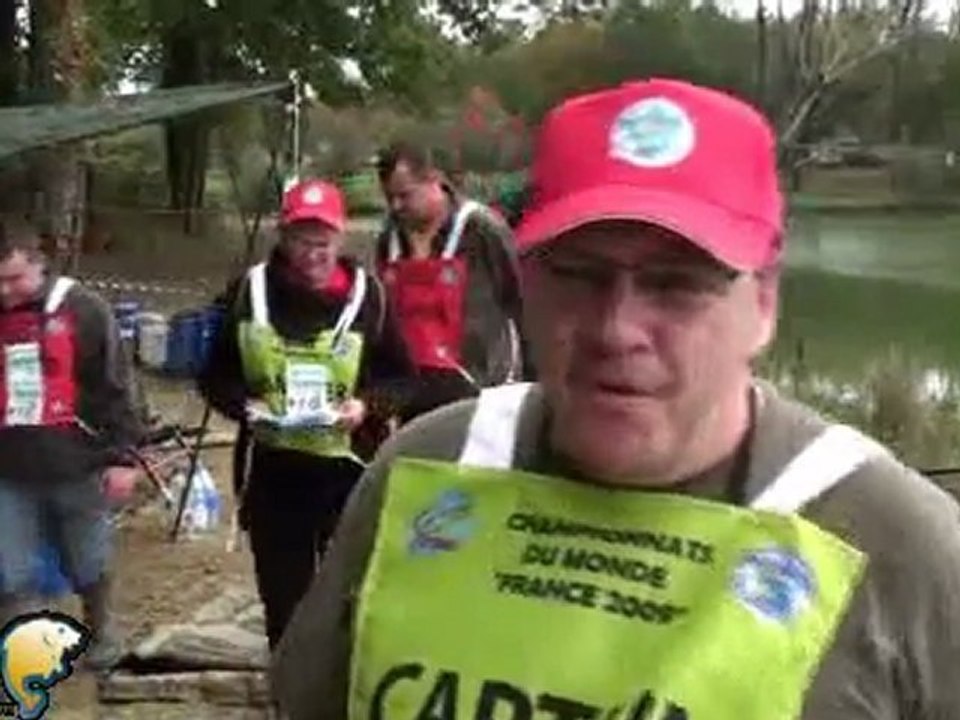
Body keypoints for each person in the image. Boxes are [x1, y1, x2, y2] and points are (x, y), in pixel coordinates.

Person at [271, 79, 960, 719]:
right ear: (527, 284)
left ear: (765, 303)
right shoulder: (426, 468)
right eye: (578, 275)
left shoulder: (901, 548)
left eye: (676, 283)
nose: (617, 329)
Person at [198, 178, 413, 650]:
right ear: (282, 235)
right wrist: (244, 407)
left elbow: (402, 378)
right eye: (301, 239)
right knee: (284, 601)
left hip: (349, 472)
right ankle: (289, 693)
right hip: (274, 474)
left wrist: (368, 406)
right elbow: (214, 376)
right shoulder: (248, 291)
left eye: (324, 240)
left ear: (340, 237)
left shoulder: (369, 296)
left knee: (351, 594)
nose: (313, 252)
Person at [0, 217, 144, 670]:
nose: (5, 292)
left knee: (88, 558)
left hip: (77, 461)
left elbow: (117, 388)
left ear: (39, 265)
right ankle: (19, 652)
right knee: (10, 568)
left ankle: (102, 634)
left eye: (14, 279)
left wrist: (123, 457)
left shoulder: (84, 310)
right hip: (9, 468)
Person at [375, 141, 525, 423]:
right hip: (412, 397)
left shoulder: (482, 229)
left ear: (434, 179)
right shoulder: (389, 238)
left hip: (479, 394)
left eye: (405, 195)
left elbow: (520, 301)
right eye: (389, 198)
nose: (396, 206)